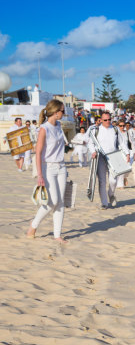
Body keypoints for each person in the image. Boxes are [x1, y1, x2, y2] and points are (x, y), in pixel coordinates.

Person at [26, 100, 68, 244]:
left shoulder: (59, 126)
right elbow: (38, 153)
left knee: (61, 202)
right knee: (52, 201)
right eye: (63, 110)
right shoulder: (44, 128)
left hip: (61, 166)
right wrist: (40, 175)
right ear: (56, 112)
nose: (64, 113)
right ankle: (33, 225)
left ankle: (57, 235)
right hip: (48, 167)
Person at [88, 112, 130, 209]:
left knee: (113, 180)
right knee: (102, 181)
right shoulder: (96, 130)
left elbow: (122, 143)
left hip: (113, 157)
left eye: (109, 119)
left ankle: (111, 194)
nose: (107, 121)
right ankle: (104, 203)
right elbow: (90, 143)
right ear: (101, 120)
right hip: (100, 158)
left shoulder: (115, 129)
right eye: (105, 120)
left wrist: (127, 153)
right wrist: (93, 151)